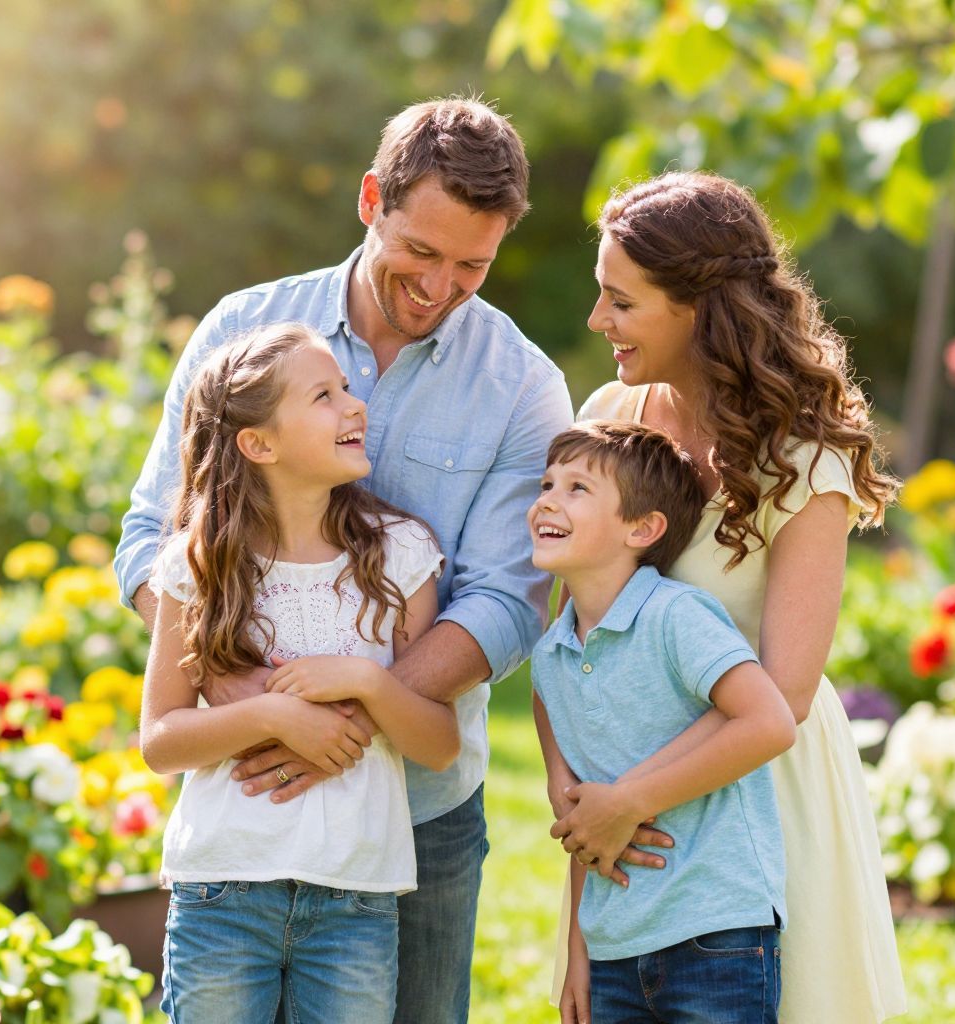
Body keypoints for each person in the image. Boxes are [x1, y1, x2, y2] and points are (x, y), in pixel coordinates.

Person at [116, 96, 574, 1022]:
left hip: (419, 816)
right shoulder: (246, 334)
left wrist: (359, 718)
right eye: (421, 252)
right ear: (372, 199)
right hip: (239, 817)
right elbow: (151, 540)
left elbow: (506, 603)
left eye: (472, 265)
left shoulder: (524, 386)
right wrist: (260, 709)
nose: (441, 286)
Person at [550, 170, 907, 1022]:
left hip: (757, 791)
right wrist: (581, 804)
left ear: (696, 308)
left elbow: (781, 691)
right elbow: (569, 635)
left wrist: (630, 800)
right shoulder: (612, 415)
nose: (599, 322)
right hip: (617, 801)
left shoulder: (802, 456)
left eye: (621, 303)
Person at [140, 324, 458, 1022]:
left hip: (355, 900)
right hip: (222, 892)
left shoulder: (402, 555)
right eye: (325, 395)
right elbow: (161, 739)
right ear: (259, 444)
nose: (355, 406)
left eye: (346, 388)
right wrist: (269, 715)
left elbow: (439, 743)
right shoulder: (197, 565)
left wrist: (371, 682)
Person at [531, 420, 795, 1023]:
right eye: (547, 484)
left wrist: (629, 799)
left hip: (716, 936)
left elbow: (770, 722)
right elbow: (584, 819)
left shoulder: (676, 616)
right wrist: (579, 953)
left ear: (642, 528)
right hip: (614, 949)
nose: (547, 498)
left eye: (577, 488)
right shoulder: (551, 658)